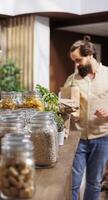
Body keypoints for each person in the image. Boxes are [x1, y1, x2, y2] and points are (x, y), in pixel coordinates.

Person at [64, 36, 108, 200]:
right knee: (73, 183)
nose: (76, 65)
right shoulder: (72, 80)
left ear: (90, 54)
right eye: (73, 61)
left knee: (94, 183)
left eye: (78, 60)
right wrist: (68, 112)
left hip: (102, 138)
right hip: (78, 139)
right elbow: (63, 105)